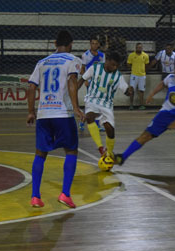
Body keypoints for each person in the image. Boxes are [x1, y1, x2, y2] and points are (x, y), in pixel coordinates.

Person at [26, 30, 84, 209]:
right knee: (71, 151)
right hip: (63, 113)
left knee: (40, 153)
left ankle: (35, 197)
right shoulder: (73, 60)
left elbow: (30, 86)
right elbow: (72, 80)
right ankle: (65, 194)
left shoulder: (42, 62)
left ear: (54, 44)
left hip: (44, 114)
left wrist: (30, 111)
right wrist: (75, 107)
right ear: (71, 44)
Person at [114, 63, 175, 171]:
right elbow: (162, 84)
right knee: (146, 136)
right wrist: (151, 94)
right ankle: (123, 157)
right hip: (165, 113)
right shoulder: (171, 78)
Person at [77, 51, 132, 158]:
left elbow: (125, 90)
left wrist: (130, 91)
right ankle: (101, 148)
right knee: (90, 116)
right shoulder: (95, 68)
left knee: (110, 129)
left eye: (116, 65)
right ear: (107, 61)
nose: (114, 67)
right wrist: (73, 95)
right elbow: (81, 80)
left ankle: (109, 152)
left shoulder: (118, 76)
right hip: (92, 99)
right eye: (113, 64)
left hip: (107, 104)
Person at [80, 37, 106, 132]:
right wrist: (85, 79)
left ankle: (84, 122)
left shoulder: (102, 55)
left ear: (99, 44)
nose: (94, 45)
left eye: (96, 43)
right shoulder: (85, 55)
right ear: (90, 44)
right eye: (93, 43)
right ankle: (88, 122)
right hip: (90, 83)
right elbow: (82, 69)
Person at [127, 43, 149, 110]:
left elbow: (147, 64)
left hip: (142, 75)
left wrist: (143, 71)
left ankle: (142, 105)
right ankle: (131, 105)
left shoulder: (145, 55)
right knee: (131, 90)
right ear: (135, 48)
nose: (139, 48)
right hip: (134, 75)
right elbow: (128, 64)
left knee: (141, 90)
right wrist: (133, 69)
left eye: (140, 47)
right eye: (138, 47)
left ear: (142, 48)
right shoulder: (131, 55)